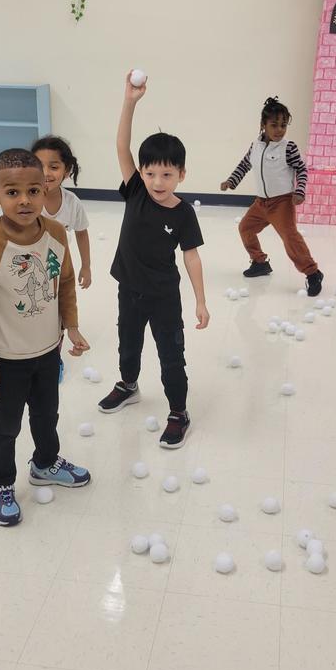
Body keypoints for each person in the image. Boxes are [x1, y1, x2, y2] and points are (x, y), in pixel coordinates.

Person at [0, 148, 92, 527]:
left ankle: (45, 462)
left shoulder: (55, 232)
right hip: (5, 358)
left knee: (46, 413)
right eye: (12, 192)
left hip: (47, 350)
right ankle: (0, 484)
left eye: (33, 191)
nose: (24, 200)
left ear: (46, 190)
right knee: (6, 425)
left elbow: (65, 281)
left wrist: (71, 326)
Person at [97, 72, 209, 450]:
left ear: (181, 174)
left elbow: (191, 257)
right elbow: (121, 147)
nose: (157, 181)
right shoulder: (136, 194)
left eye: (167, 173)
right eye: (150, 172)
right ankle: (128, 385)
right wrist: (129, 102)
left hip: (163, 296)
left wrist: (201, 301)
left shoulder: (182, 214)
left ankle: (179, 411)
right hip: (129, 289)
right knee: (127, 343)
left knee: (170, 356)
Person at [220, 96, 324, 296]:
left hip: (282, 203)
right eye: (274, 125)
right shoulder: (255, 146)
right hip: (261, 203)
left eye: (283, 125)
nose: (279, 130)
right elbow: (244, 164)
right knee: (245, 228)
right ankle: (260, 262)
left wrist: (300, 191)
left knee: (290, 238)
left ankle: (312, 273)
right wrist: (231, 181)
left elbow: (302, 169)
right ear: (263, 125)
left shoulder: (288, 147)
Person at [32, 135, 93, 384]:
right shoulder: (27, 199)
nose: (46, 172)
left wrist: (86, 266)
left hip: (56, 272)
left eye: (54, 166)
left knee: (55, 319)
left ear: (67, 171)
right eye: (39, 165)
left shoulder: (72, 203)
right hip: (27, 270)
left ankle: (53, 360)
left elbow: (81, 232)